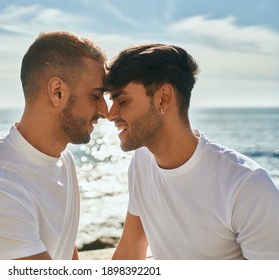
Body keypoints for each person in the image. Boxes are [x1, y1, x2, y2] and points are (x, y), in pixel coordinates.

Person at [106, 44, 279, 260]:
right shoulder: (142, 162)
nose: (110, 114)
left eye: (122, 101)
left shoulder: (247, 186)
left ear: (163, 98)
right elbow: (130, 253)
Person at [0, 31, 108, 260]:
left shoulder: (63, 160)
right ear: (57, 92)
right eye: (95, 96)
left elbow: (65, 250)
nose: (105, 111)